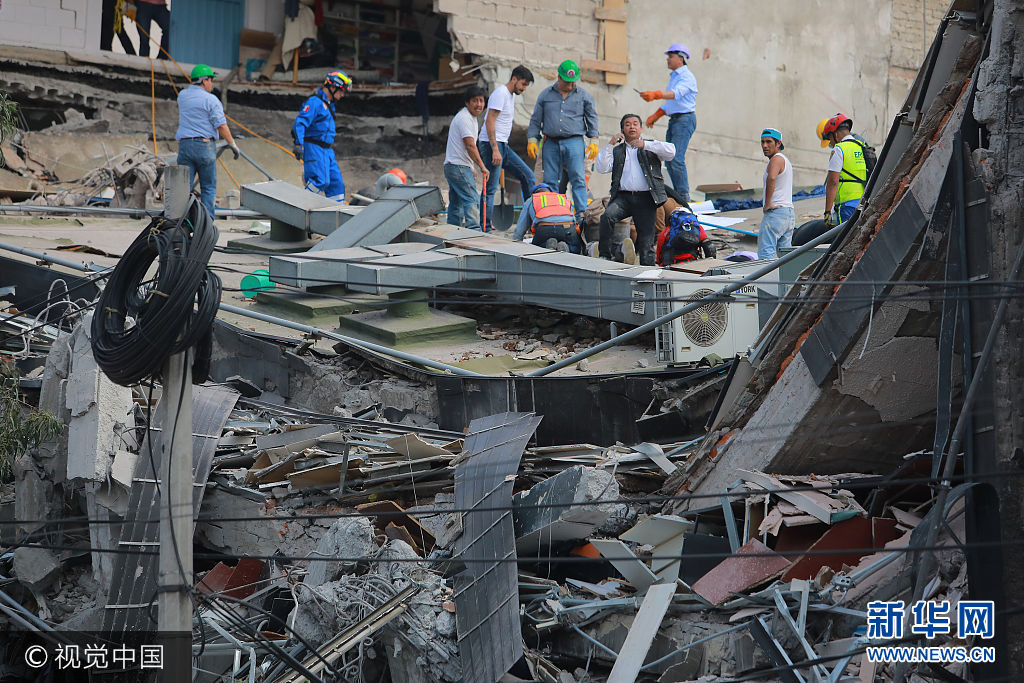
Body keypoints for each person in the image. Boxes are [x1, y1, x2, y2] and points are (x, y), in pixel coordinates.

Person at [594, 114, 676, 266]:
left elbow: (671, 152)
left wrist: (645, 144)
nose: (631, 127)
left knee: (646, 239)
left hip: (646, 198)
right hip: (623, 198)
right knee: (607, 217)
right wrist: (610, 144)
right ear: (622, 130)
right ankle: (604, 256)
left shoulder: (650, 147)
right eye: (627, 124)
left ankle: (647, 269)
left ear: (641, 128)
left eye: (635, 124)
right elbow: (602, 167)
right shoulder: (617, 150)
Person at [526, 59, 599, 224]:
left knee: (578, 179)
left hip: (574, 142)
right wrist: (532, 138)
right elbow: (536, 119)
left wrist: (594, 140)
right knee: (550, 180)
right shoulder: (545, 95)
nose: (570, 85)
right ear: (558, 77)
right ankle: (553, 215)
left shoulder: (584, 96)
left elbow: (592, 118)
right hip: (550, 142)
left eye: (573, 81)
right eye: (567, 81)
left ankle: (581, 215)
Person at [175, 64, 239, 220]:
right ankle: (207, 223)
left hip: (185, 146)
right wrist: (232, 144)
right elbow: (221, 126)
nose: (212, 84)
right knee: (208, 188)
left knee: (184, 188)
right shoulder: (211, 100)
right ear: (204, 81)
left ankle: (180, 222)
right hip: (204, 147)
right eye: (211, 80)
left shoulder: (182, 96)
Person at [478, 65, 536, 231]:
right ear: (514, 79)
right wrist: (495, 149)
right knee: (491, 187)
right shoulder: (500, 94)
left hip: (503, 145)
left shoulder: (510, 95)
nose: (524, 89)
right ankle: (485, 227)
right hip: (491, 145)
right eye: (523, 84)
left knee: (528, 176)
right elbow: (489, 121)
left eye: (526, 86)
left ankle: (530, 222)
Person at [640, 43, 698, 201]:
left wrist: (656, 95)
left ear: (681, 58)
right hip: (676, 120)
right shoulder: (675, 77)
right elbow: (672, 103)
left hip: (684, 120)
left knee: (676, 157)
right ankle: (678, 195)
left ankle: (683, 196)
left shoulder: (687, 77)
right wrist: (657, 114)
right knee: (670, 158)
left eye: (671, 56)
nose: (668, 59)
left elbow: (676, 94)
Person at [292, 71, 351, 200]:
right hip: (314, 148)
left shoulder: (328, 105)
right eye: (341, 91)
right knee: (320, 180)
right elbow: (300, 123)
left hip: (327, 150)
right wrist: (299, 143)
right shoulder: (315, 103)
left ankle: (337, 211)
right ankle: (301, 203)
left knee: (336, 185)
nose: (342, 95)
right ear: (333, 88)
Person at [444, 86, 489, 230]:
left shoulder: (469, 117)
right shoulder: (464, 118)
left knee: (456, 203)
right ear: (467, 102)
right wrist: (482, 167)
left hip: (453, 166)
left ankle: (452, 232)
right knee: (472, 199)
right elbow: (470, 146)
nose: (479, 104)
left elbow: (465, 147)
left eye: (481, 101)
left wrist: (471, 167)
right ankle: (474, 232)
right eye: (475, 101)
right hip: (458, 166)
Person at [817, 113, 868, 226]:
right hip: (862, 203)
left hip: (846, 206)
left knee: (846, 236)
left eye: (830, 138)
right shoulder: (861, 146)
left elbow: (833, 182)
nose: (830, 142)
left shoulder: (839, 149)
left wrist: (827, 212)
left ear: (835, 134)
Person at [512, 183, 584, 254]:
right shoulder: (562, 198)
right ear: (550, 191)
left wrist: (515, 246)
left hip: (544, 228)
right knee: (576, 247)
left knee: (536, 248)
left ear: (534, 193)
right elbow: (573, 220)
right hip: (567, 227)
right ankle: (567, 247)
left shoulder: (532, 199)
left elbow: (520, 229)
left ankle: (547, 245)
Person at [757, 127, 794, 259]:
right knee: (786, 259)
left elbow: (772, 178)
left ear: (778, 143)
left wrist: (768, 203)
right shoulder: (784, 160)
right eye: (762, 142)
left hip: (776, 213)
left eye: (769, 142)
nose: (764, 146)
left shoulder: (776, 159)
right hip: (788, 213)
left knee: (765, 255)